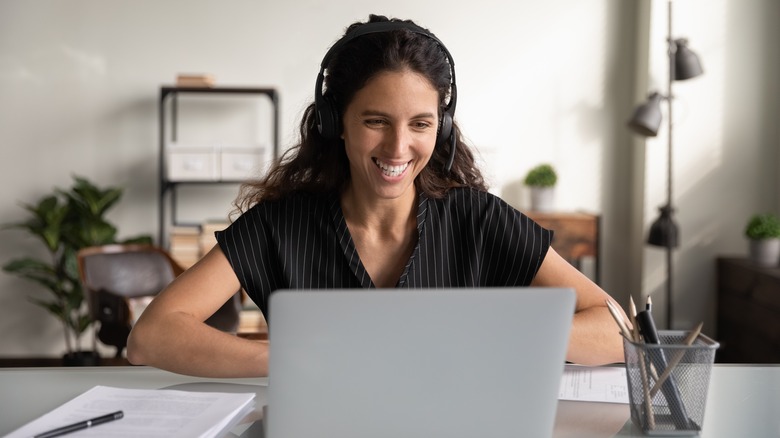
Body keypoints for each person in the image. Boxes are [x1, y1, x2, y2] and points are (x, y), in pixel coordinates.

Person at [127, 14, 626, 377]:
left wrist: (488, 340)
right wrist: (295, 359)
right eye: (375, 121)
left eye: (421, 124)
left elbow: (620, 329)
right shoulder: (281, 225)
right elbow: (150, 337)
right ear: (335, 123)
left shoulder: (480, 220)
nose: (398, 147)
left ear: (442, 130)